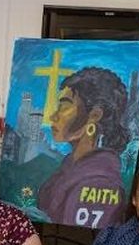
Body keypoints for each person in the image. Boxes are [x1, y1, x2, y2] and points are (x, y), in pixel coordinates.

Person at [37, 67, 131, 229]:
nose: (53, 116)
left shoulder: (100, 182)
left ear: (94, 115)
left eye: (64, 106)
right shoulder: (69, 168)